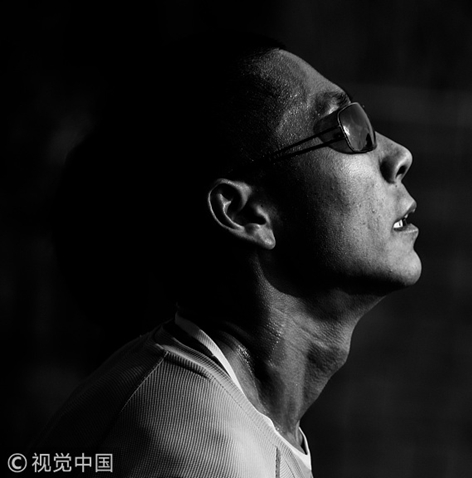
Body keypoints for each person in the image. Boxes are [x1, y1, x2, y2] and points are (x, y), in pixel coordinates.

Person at [33, 30, 420, 478]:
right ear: (245, 213)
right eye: (346, 127)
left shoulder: (227, 417)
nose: (399, 155)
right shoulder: (198, 453)